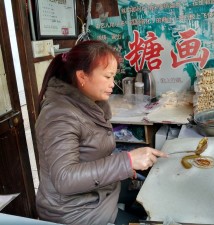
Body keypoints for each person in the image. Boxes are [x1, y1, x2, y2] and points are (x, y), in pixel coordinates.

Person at [35, 40, 167, 225]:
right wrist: (126, 161)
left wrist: (124, 167)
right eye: (107, 77)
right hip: (76, 210)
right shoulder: (59, 116)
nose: (113, 84)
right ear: (82, 76)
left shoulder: (89, 103)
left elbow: (91, 153)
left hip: (99, 192)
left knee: (155, 193)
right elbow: (65, 178)